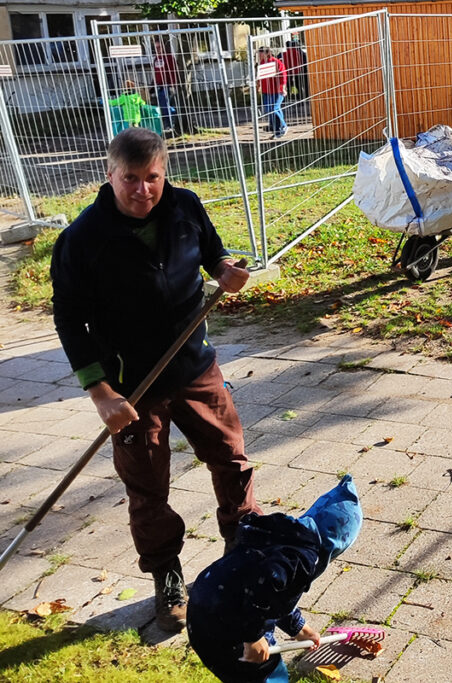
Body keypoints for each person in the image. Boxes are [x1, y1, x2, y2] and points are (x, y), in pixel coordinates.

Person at [50, 127, 260, 633]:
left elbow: (213, 254)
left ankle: (242, 544)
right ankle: (167, 575)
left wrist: (225, 270)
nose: (143, 189)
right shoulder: (81, 241)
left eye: (152, 178)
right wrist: (101, 393)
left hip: (195, 365)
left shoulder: (185, 207)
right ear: (109, 174)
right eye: (130, 178)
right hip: (132, 387)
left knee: (231, 459)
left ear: (165, 173)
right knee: (147, 488)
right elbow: (68, 319)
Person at [187, 475, 363, 683]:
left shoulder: (283, 537)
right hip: (226, 625)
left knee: (239, 672)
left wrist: (299, 628)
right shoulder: (300, 560)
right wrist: (252, 638)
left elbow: (276, 595)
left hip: (204, 608)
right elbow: (262, 589)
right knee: (266, 673)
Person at [257, 46, 287, 139]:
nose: (258, 55)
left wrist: (283, 87)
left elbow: (283, 75)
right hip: (267, 91)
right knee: (269, 109)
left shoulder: (276, 62)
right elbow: (260, 76)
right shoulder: (262, 63)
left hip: (277, 90)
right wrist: (259, 85)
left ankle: (282, 127)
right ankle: (273, 125)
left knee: (274, 108)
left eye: (260, 53)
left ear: (266, 53)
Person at [152, 40, 177, 134]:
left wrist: (173, 85)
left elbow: (173, 71)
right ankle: (167, 124)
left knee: (167, 105)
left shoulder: (169, 57)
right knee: (162, 106)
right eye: (155, 48)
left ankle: (171, 123)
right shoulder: (156, 59)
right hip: (159, 85)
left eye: (159, 47)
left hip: (167, 85)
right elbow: (156, 73)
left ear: (163, 47)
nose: (157, 50)